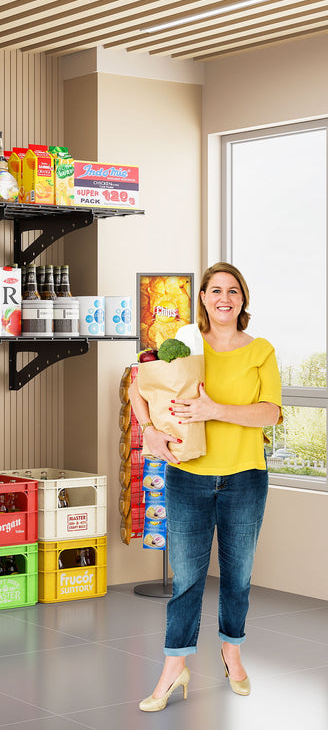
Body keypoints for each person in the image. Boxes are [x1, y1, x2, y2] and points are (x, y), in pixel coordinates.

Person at [128, 262, 282, 712]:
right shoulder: (186, 346)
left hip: (245, 477)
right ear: (203, 298)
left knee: (238, 576)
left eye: (233, 291)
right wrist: (149, 434)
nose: (224, 298)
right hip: (188, 476)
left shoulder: (261, 351)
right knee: (188, 579)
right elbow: (139, 388)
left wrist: (215, 409)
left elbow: (270, 413)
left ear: (243, 299)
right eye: (215, 290)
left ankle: (231, 652)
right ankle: (175, 667)